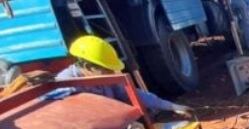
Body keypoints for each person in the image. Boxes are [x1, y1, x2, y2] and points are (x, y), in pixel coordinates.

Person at [55, 35, 192, 116]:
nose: (111, 74)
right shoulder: (65, 87)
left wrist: (171, 106)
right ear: (88, 67)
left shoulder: (105, 79)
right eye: (107, 69)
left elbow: (132, 94)